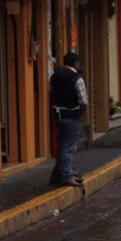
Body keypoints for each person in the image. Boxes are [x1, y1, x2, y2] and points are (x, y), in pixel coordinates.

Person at [49, 51, 87, 187]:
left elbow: (51, 93)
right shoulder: (77, 78)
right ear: (75, 63)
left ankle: (59, 174)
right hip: (71, 116)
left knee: (62, 146)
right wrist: (78, 114)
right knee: (68, 147)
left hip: (58, 115)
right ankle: (66, 175)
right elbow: (84, 101)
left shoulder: (54, 77)